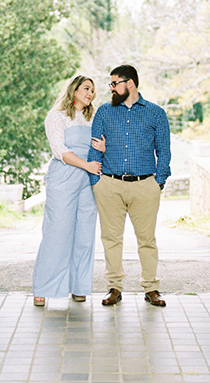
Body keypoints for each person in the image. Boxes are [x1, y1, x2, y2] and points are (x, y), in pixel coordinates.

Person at [88, 64, 171, 307]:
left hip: (145, 184)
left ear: (130, 83)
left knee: (147, 239)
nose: (111, 88)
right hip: (109, 185)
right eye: (110, 84)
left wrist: (159, 182)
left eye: (115, 83)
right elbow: (94, 148)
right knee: (111, 238)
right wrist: (97, 182)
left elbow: (164, 151)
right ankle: (114, 287)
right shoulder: (103, 112)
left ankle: (151, 288)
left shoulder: (156, 113)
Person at [32, 75, 105, 307]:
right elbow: (59, 151)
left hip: (88, 180)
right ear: (73, 90)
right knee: (57, 232)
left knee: (84, 234)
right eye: (86, 88)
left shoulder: (93, 118)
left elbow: (102, 145)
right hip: (64, 178)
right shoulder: (57, 117)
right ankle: (43, 288)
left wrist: (103, 148)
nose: (90, 93)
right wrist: (86, 165)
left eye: (92, 90)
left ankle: (79, 286)